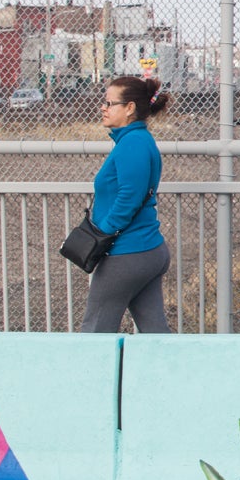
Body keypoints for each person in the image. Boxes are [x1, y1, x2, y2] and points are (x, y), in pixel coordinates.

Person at [81, 76, 173, 333]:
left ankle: (91, 374)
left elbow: (128, 199)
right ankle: (171, 372)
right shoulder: (136, 141)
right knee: (155, 333)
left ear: (129, 108)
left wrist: (102, 234)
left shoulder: (133, 144)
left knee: (95, 332)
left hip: (126, 253)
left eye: (110, 103)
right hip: (145, 250)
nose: (103, 108)